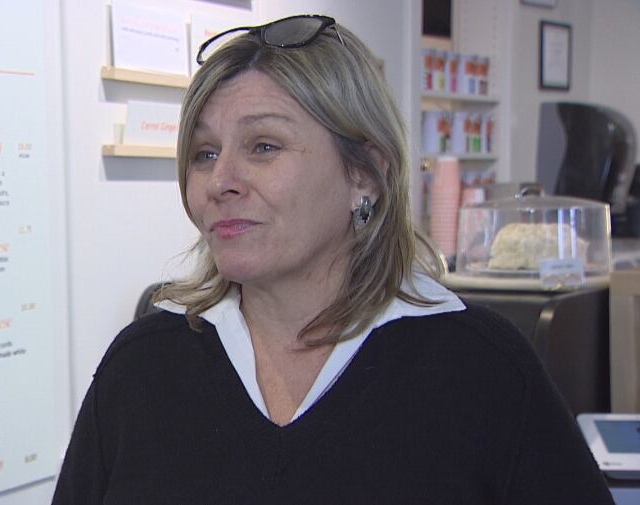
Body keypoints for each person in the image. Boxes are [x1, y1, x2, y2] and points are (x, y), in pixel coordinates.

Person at [52, 14, 614, 504]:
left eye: (264, 146)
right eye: (204, 153)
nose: (219, 181)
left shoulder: (481, 371)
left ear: (364, 174)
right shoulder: (142, 367)